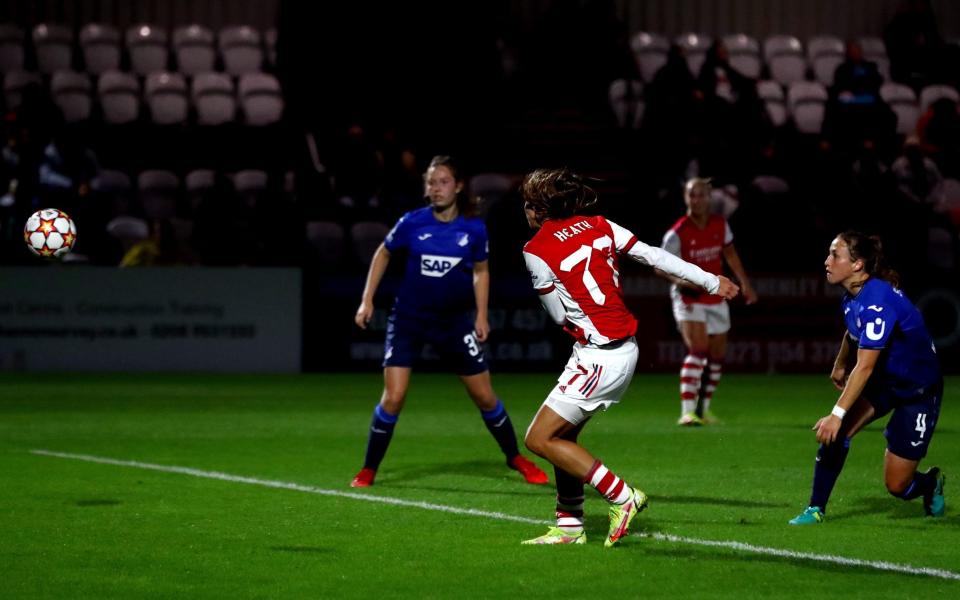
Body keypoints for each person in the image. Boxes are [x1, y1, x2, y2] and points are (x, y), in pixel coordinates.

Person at [519, 168, 739, 546]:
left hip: (599, 356)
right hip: (622, 348)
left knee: (538, 438)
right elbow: (654, 256)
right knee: (563, 435)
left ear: (538, 210)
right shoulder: (600, 224)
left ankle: (622, 496)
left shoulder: (535, 250)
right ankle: (570, 523)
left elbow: (558, 315)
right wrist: (710, 280)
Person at [351, 155, 548, 488]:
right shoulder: (412, 222)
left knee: (485, 397)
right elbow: (383, 252)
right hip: (409, 320)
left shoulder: (473, 228)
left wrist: (481, 315)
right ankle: (369, 469)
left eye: (443, 181)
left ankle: (515, 457)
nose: (436, 188)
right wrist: (367, 298)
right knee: (394, 397)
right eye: (431, 182)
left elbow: (481, 271)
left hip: (454, 323)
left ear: (458, 187)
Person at [789, 231, 945, 525]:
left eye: (835, 255)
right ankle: (815, 509)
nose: (827, 261)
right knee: (836, 436)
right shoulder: (853, 295)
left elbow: (865, 368)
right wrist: (839, 362)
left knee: (898, 486)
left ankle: (929, 483)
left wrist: (836, 413)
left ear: (858, 264)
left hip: (919, 390)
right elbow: (853, 331)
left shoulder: (877, 302)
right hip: (887, 381)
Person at [661, 177, 757, 426]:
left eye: (702, 195)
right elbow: (660, 266)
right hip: (689, 298)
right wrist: (682, 282)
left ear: (710, 197)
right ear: (685, 197)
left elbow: (730, 253)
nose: (697, 199)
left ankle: (703, 410)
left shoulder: (719, 224)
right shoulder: (677, 233)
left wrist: (744, 283)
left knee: (716, 357)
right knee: (699, 351)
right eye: (692, 195)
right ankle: (686, 411)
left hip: (716, 295)